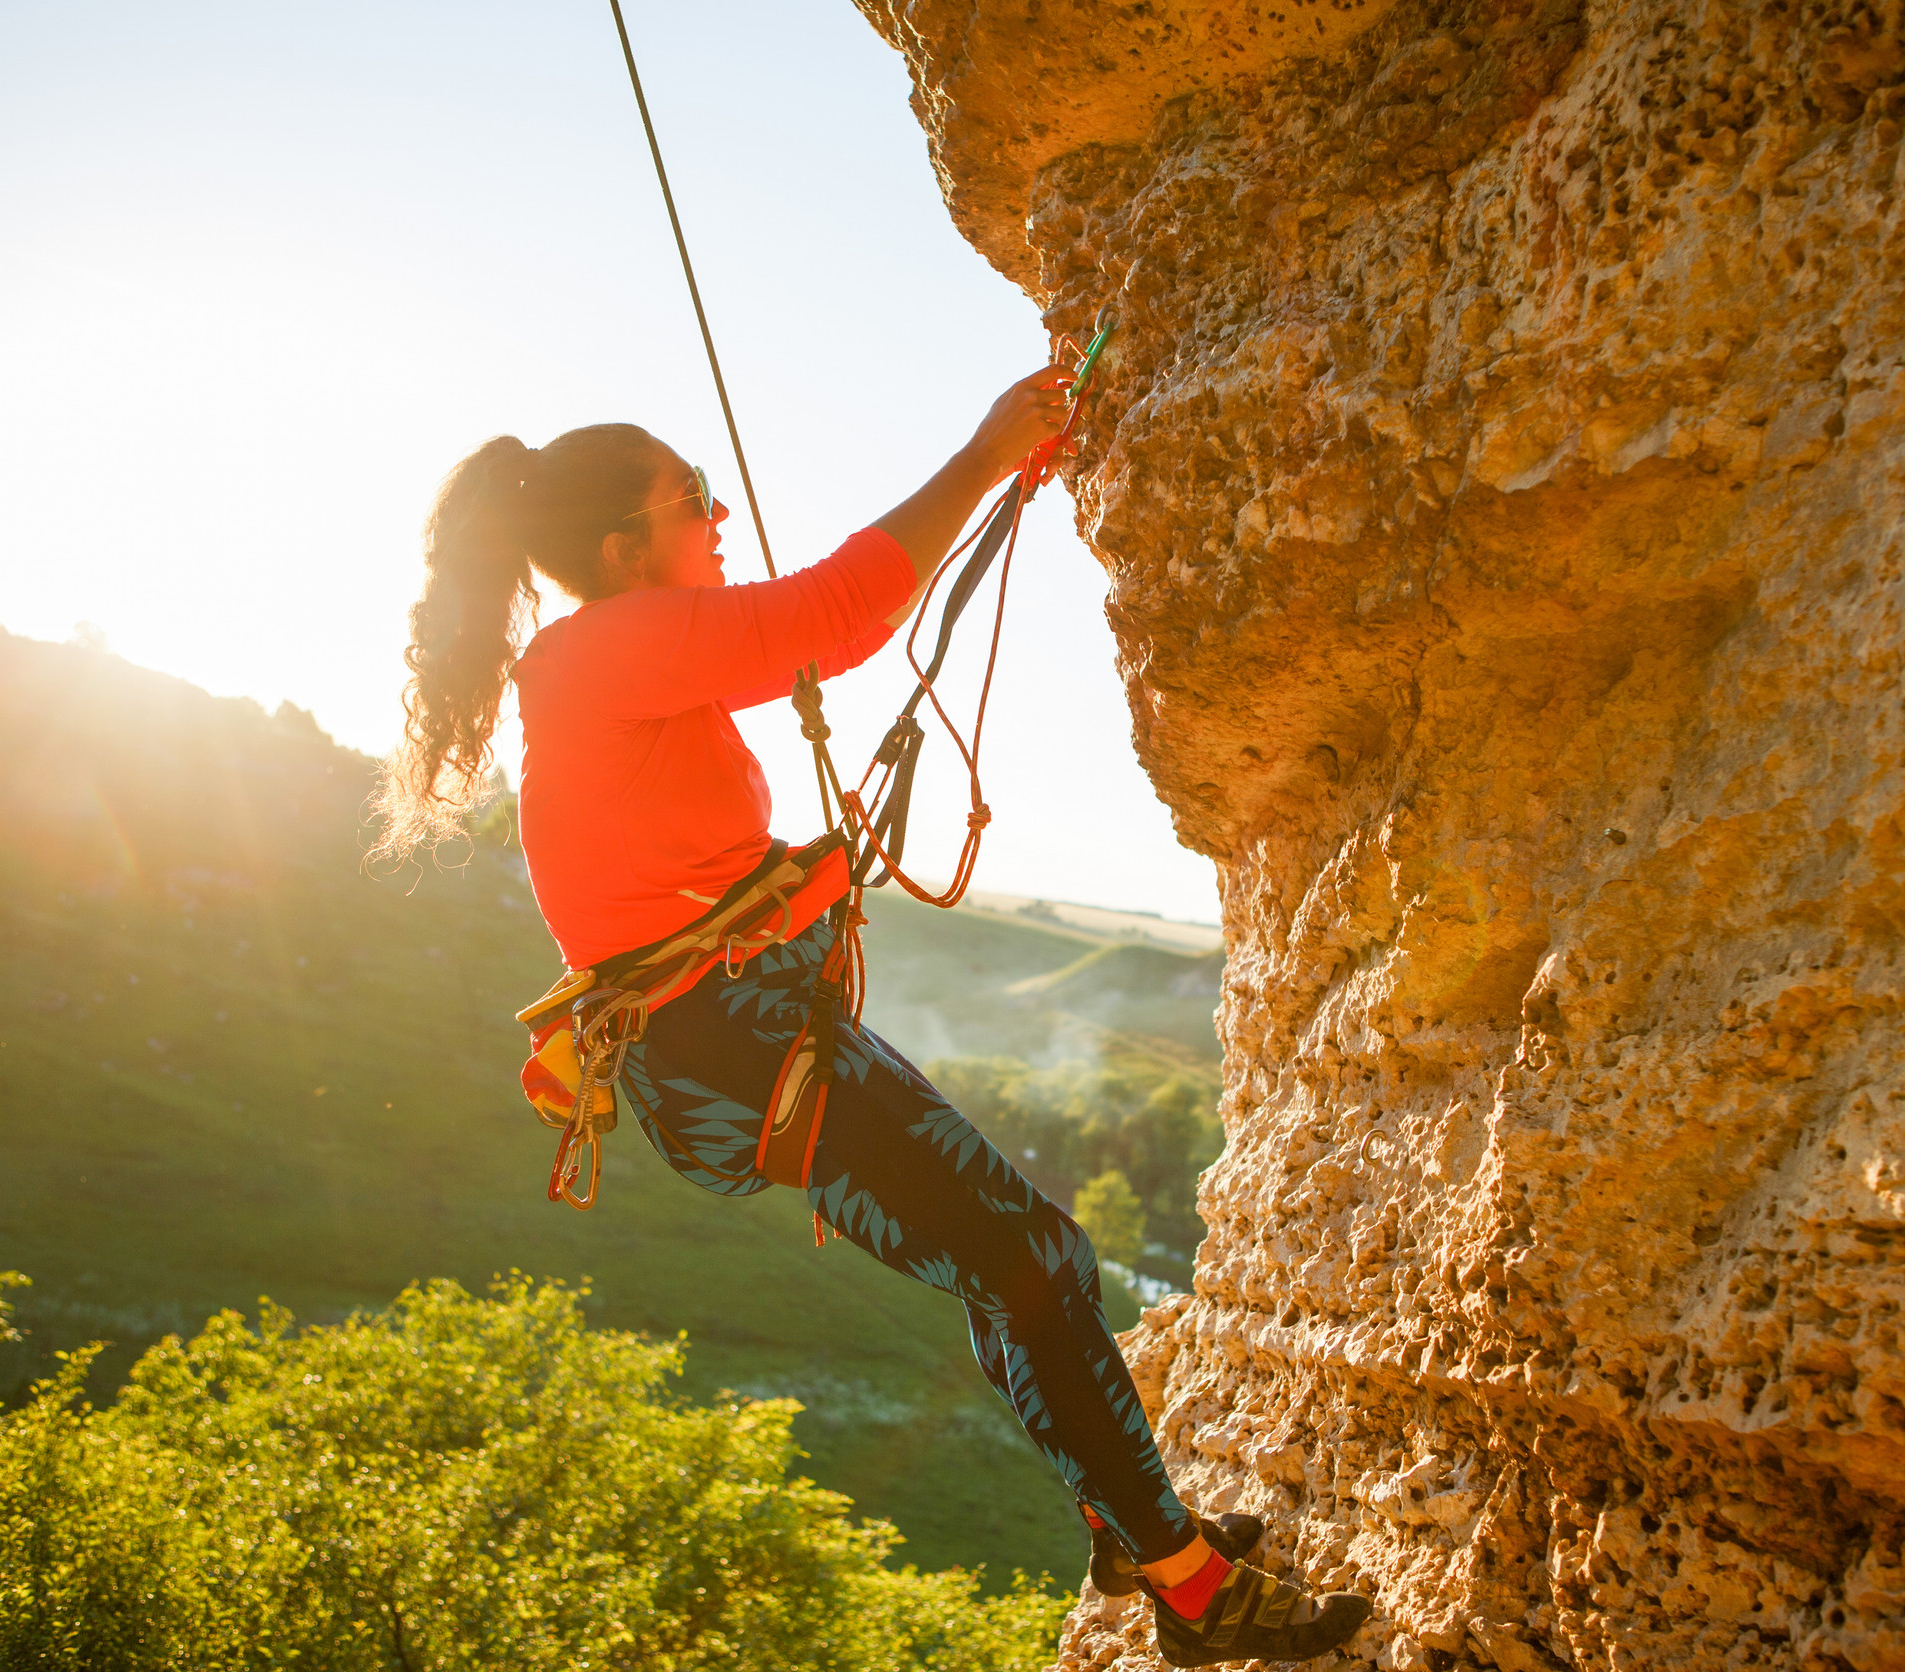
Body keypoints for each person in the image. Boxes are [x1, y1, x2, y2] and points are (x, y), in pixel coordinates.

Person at [375, 363, 1369, 1667]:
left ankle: (1138, 1532)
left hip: (742, 1039)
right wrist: (985, 449)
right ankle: (1189, 1590)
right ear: (626, 549)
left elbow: (662, 873)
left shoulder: (598, 665)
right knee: (1036, 1260)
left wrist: (803, 880)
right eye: (694, 499)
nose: (720, 518)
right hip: (738, 1046)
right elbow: (840, 614)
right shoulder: (604, 648)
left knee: (1009, 1266)